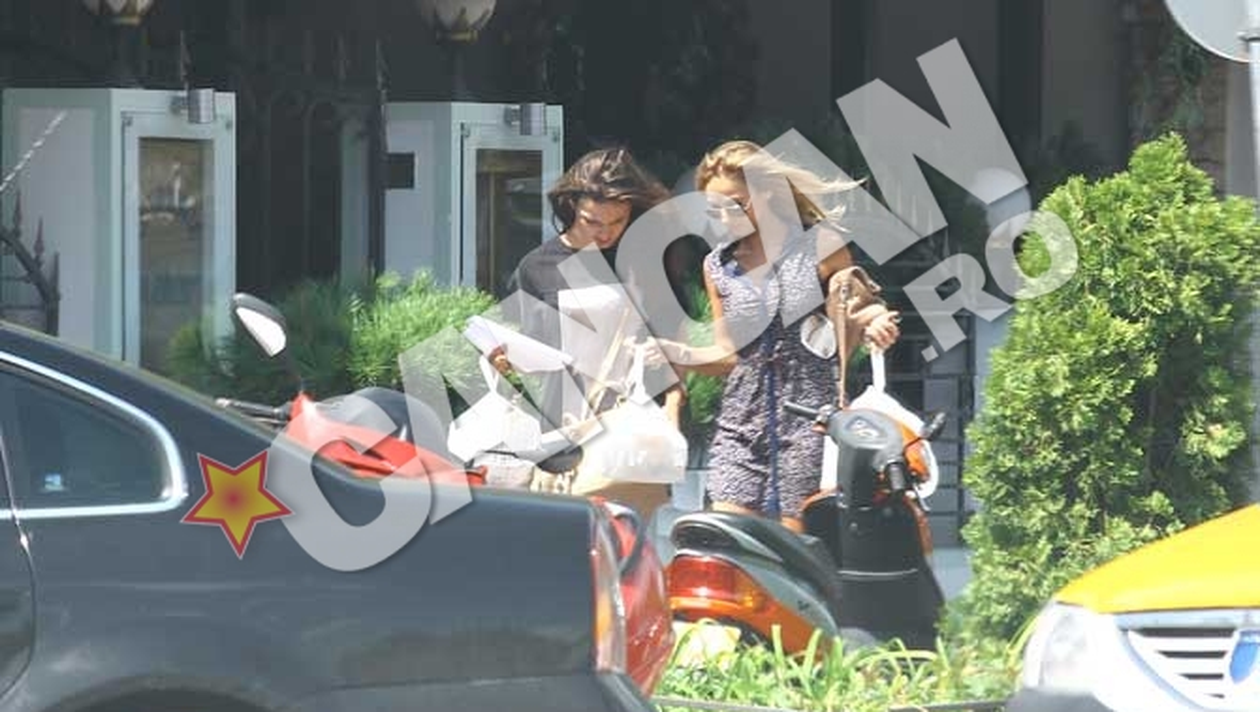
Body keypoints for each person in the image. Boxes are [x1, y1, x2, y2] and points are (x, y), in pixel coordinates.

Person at [654, 140, 900, 532]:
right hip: (740, 422)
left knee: (793, 544)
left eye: (735, 203)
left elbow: (853, 301)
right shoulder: (717, 266)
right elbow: (728, 354)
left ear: (767, 193)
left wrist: (874, 322)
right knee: (729, 538)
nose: (724, 216)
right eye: (714, 208)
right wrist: (676, 352)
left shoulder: (820, 245)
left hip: (809, 418)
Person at [502, 146, 686, 488]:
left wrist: (672, 410)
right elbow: (532, 352)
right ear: (571, 205)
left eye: (618, 221)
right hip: (563, 432)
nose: (605, 233)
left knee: (628, 520)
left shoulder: (646, 260)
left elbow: (674, 342)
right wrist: (505, 359)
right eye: (592, 221)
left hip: (633, 433)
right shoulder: (537, 267)